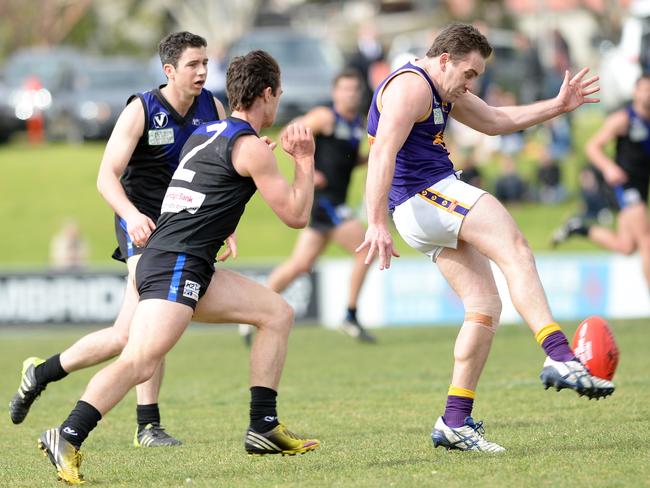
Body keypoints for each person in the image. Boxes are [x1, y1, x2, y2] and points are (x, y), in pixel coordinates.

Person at [36, 49, 320, 484]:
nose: (278, 101)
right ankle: (68, 435)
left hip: (181, 260)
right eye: (278, 94)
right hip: (176, 263)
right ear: (267, 94)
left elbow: (208, 184)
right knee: (140, 361)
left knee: (276, 313)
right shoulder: (248, 148)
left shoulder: (206, 133)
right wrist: (303, 159)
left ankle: (262, 426)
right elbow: (297, 216)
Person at [357, 23, 615, 453]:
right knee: (515, 247)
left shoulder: (442, 88)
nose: (473, 83)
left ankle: (454, 422)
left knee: (483, 307)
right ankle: (560, 355)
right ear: (445, 60)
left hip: (424, 205)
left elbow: (495, 121)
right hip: (425, 195)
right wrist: (375, 222)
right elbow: (381, 151)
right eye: (470, 74)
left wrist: (557, 105)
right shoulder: (412, 86)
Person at [10, 32, 226, 448]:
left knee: (125, 336)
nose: (202, 72)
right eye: (192, 65)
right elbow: (105, 176)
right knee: (157, 316)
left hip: (181, 226)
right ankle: (147, 425)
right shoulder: (141, 109)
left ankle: (40, 373)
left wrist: (225, 225)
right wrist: (132, 215)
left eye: (204, 63)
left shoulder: (211, 106)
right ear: (169, 71)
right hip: (139, 224)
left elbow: (219, 170)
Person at [240, 69, 376, 345]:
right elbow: (292, 132)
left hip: (334, 202)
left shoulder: (356, 124)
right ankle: (349, 315)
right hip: (325, 201)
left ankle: (249, 314)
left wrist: (372, 158)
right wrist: (307, 171)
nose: (351, 94)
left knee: (299, 265)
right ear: (335, 93)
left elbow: (345, 159)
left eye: (355, 89)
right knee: (366, 249)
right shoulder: (325, 117)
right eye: (345, 89)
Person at [552, 74, 650, 289]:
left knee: (626, 246)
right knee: (646, 240)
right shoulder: (624, 119)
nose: (648, 93)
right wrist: (609, 168)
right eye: (644, 89)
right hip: (627, 185)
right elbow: (592, 146)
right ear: (635, 92)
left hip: (643, 187)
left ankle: (578, 228)